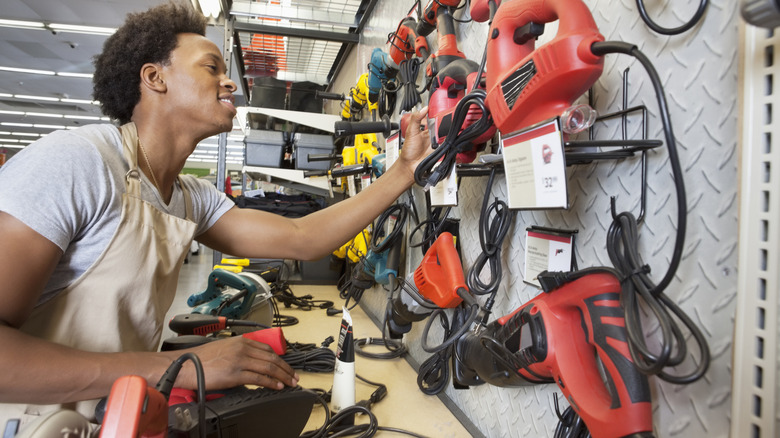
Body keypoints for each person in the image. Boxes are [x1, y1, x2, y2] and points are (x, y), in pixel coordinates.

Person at [0, 1, 431, 430]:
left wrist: (403, 172)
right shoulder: (78, 162)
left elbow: (302, 237)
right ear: (155, 78)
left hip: (118, 416)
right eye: (211, 68)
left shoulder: (190, 198)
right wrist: (178, 367)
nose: (230, 83)